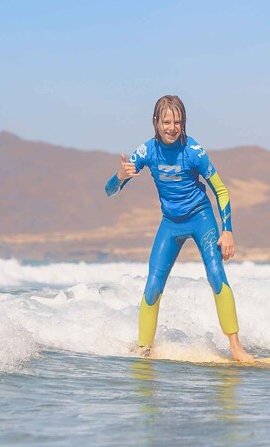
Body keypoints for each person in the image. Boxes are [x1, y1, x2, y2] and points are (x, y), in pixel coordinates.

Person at [105, 95, 254, 362]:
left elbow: (220, 190)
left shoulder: (193, 151)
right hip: (170, 224)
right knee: (153, 285)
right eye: (166, 122)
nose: (172, 127)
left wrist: (227, 230)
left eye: (177, 121)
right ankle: (144, 349)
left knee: (216, 274)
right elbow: (109, 192)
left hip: (201, 218)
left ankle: (235, 346)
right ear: (155, 122)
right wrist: (120, 177)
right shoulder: (147, 151)